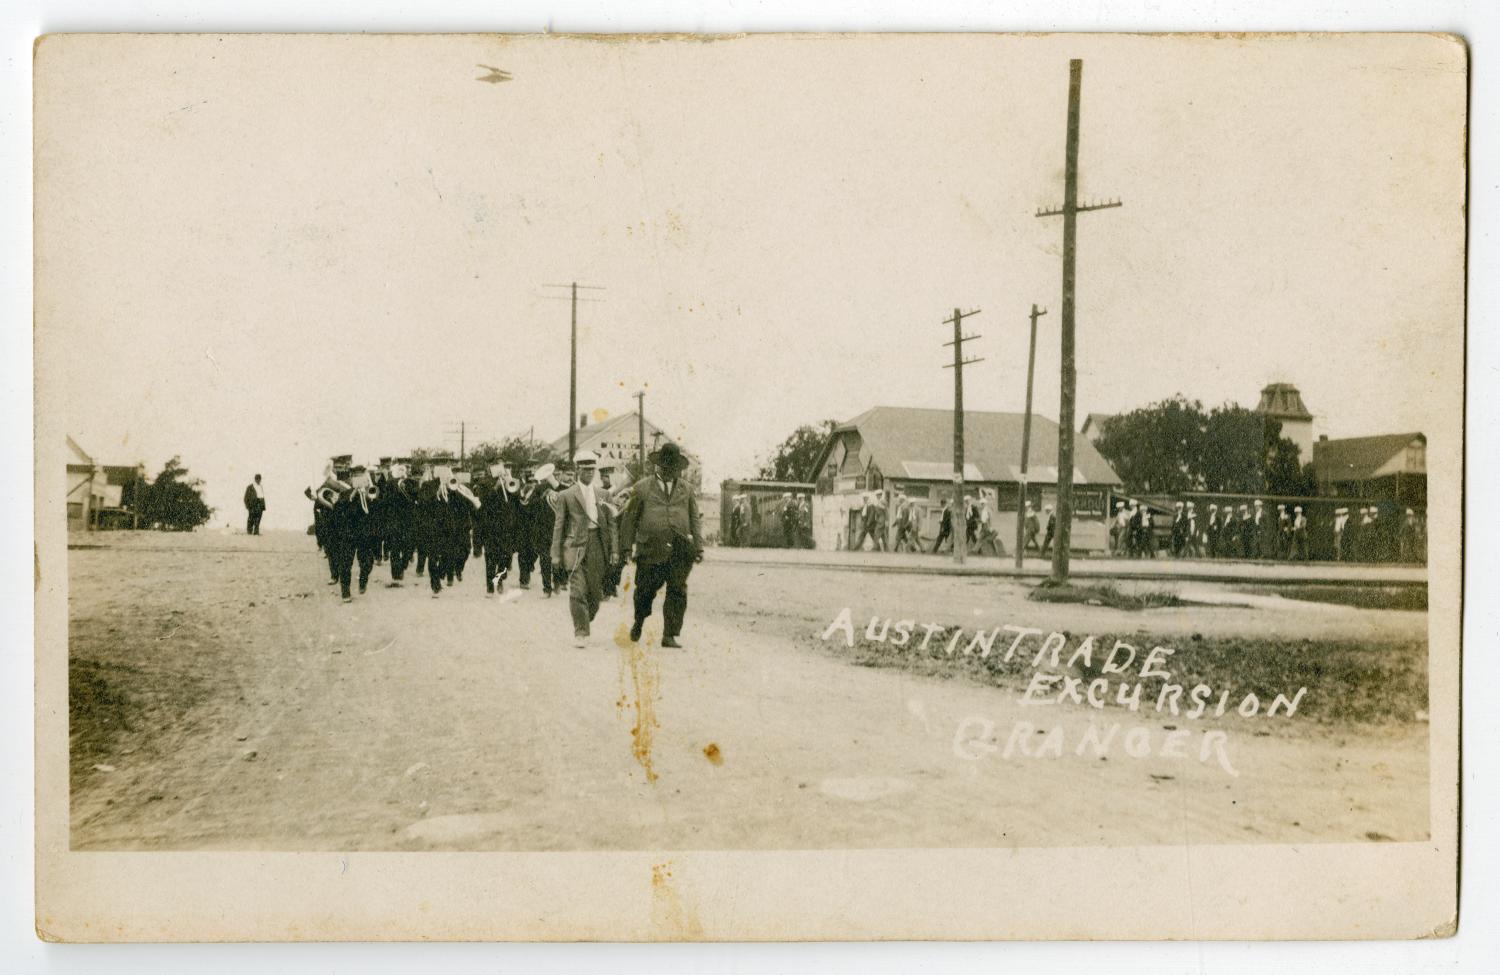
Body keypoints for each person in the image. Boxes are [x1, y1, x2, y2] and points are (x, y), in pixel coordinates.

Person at [619, 441, 703, 648]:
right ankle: (639, 622)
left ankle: (669, 635)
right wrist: (626, 548)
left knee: (677, 590)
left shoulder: (687, 489)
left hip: (680, 549)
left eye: (673, 468)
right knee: (644, 592)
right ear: (658, 466)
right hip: (650, 549)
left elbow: (694, 519)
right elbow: (629, 519)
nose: (669, 471)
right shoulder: (641, 488)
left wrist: (698, 547)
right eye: (666, 467)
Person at [550, 452, 618, 646]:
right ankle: (581, 632)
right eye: (585, 469)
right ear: (578, 470)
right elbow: (559, 526)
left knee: (596, 594)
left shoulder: (604, 495)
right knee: (578, 591)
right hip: (575, 548)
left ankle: (584, 619)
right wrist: (555, 554)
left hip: (598, 544)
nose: (589, 473)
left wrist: (614, 550)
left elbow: (612, 524)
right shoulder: (566, 495)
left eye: (592, 470)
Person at [476, 462, 520, 596]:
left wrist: (510, 483)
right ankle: (490, 588)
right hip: (490, 526)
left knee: (506, 556)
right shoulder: (483, 483)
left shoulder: (510, 481)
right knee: (490, 558)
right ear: (489, 468)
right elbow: (482, 503)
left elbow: (516, 501)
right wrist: (496, 487)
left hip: (507, 526)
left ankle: (500, 578)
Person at [518, 464, 559, 595]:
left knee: (558, 559)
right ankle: (547, 588)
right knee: (545, 558)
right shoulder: (538, 489)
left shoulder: (560, 488)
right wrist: (540, 497)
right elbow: (528, 507)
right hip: (542, 529)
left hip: (558, 528)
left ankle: (557, 581)